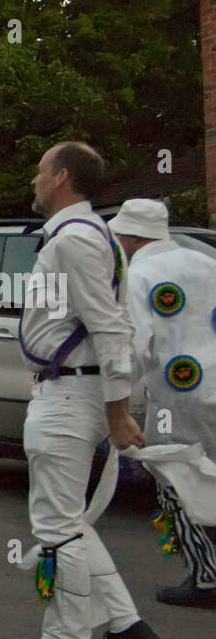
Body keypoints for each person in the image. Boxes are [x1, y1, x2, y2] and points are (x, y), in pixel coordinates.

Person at [0, 142, 159, 639]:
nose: (34, 179)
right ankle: (126, 627)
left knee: (56, 525)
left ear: (62, 178)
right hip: (67, 389)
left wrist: (117, 411)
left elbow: (111, 327)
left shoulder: (78, 240)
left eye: (40, 171)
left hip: (69, 395)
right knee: (71, 524)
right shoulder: (86, 236)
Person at [108, 198, 216, 609]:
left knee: (176, 482)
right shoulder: (205, 261)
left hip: (180, 395)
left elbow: (135, 344)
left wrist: (115, 398)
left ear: (132, 237)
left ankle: (206, 577)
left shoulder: (139, 274)